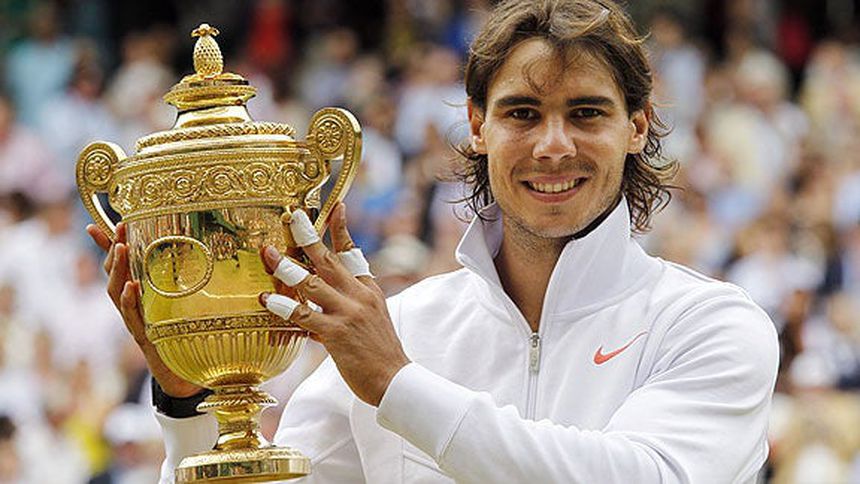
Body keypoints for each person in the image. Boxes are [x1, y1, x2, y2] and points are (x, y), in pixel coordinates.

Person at [87, 0, 779, 482]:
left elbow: (648, 476)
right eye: (523, 113)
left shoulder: (709, 324)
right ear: (478, 127)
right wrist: (190, 403)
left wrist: (399, 385)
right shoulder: (400, 330)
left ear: (637, 126)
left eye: (586, 113)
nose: (553, 145)